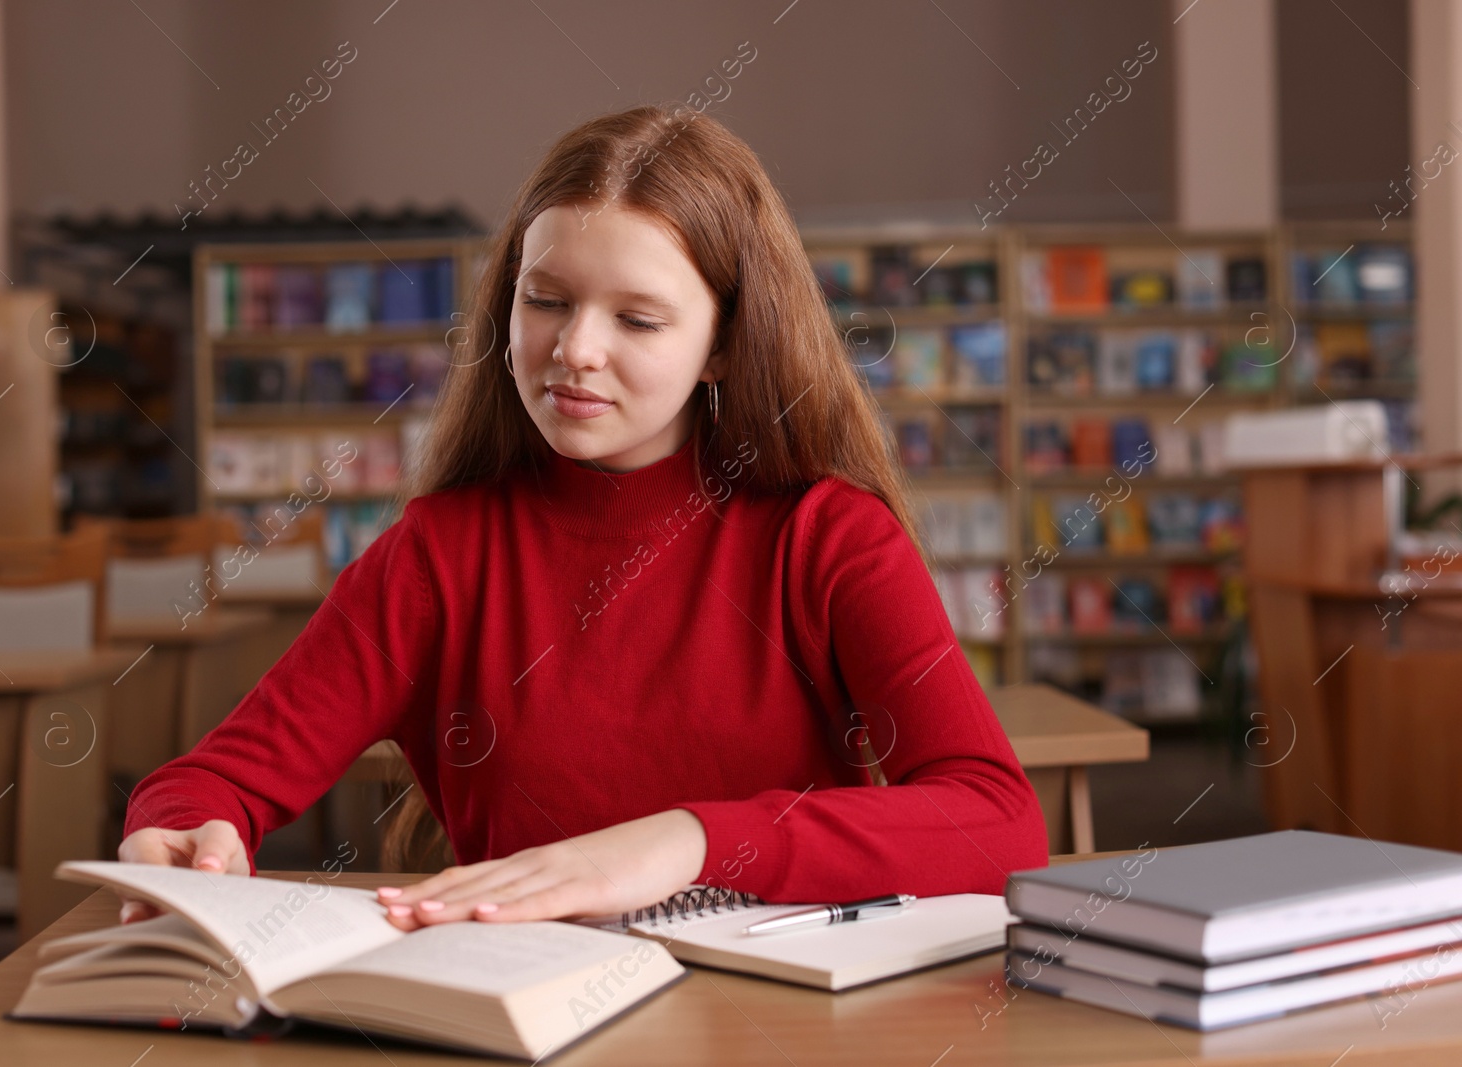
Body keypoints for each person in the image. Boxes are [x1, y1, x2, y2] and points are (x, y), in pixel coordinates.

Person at [118, 102, 1048, 932]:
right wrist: (186, 830)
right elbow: (214, 781)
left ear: (722, 344)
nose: (573, 349)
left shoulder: (829, 537)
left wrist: (687, 841)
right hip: (524, 1022)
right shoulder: (439, 555)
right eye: (547, 300)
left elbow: (998, 819)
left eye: (637, 320)